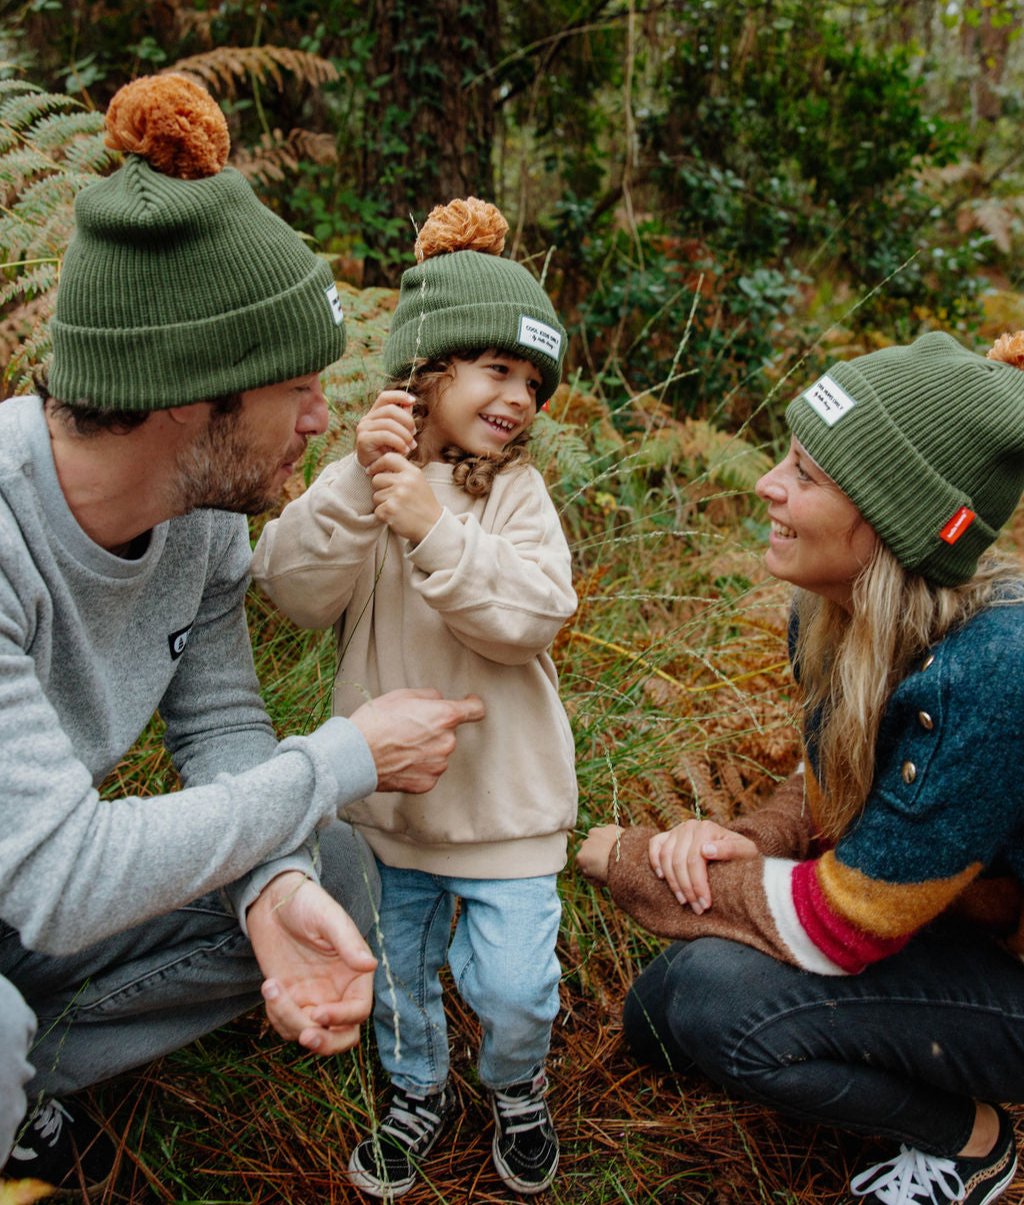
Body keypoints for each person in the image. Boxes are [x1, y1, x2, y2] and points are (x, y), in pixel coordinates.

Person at [0, 75, 484, 1198]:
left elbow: (218, 718)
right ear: (190, 396)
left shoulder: (201, 517)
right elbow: (61, 880)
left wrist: (270, 885)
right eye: (300, 387)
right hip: (35, 875)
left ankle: (31, 1071)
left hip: (23, 883)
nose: (324, 420)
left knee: (337, 866)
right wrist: (345, 753)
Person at [577, 329, 1024, 1205]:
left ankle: (976, 1141)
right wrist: (736, 838)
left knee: (713, 1002)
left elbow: (849, 922)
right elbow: (832, 787)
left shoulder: (996, 671)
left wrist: (635, 863)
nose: (767, 485)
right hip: (944, 911)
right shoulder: (832, 611)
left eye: (809, 475)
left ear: (895, 516)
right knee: (657, 1015)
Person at [251, 197, 578, 1198]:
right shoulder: (370, 486)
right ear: (426, 372)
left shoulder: (513, 495)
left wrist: (438, 528)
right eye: (494, 368)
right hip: (388, 814)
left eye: (533, 380)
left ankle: (516, 1080)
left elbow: (534, 612)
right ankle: (415, 1091)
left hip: (503, 811)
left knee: (514, 985)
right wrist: (358, 484)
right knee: (397, 981)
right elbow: (290, 588)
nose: (517, 395)